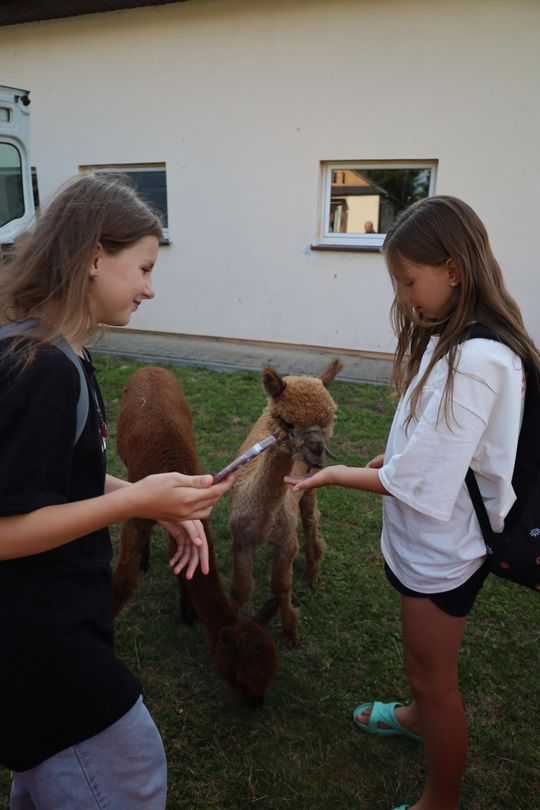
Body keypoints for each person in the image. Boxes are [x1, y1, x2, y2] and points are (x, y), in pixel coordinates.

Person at [286, 195, 540, 810]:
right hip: (436, 540)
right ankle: (418, 715)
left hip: (443, 553)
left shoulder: (475, 359)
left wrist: (336, 474)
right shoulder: (455, 336)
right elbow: (444, 444)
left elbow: (423, 484)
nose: (402, 296)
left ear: (452, 269)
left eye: (407, 281)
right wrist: (394, 456)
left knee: (435, 679)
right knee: (421, 661)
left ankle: (439, 799)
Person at [0, 173, 234, 810]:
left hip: (55, 629)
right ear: (94, 257)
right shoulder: (42, 371)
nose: (151, 288)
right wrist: (137, 502)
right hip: (42, 644)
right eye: (145, 268)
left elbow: (65, 474)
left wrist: (151, 500)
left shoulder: (63, 353)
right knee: (131, 775)